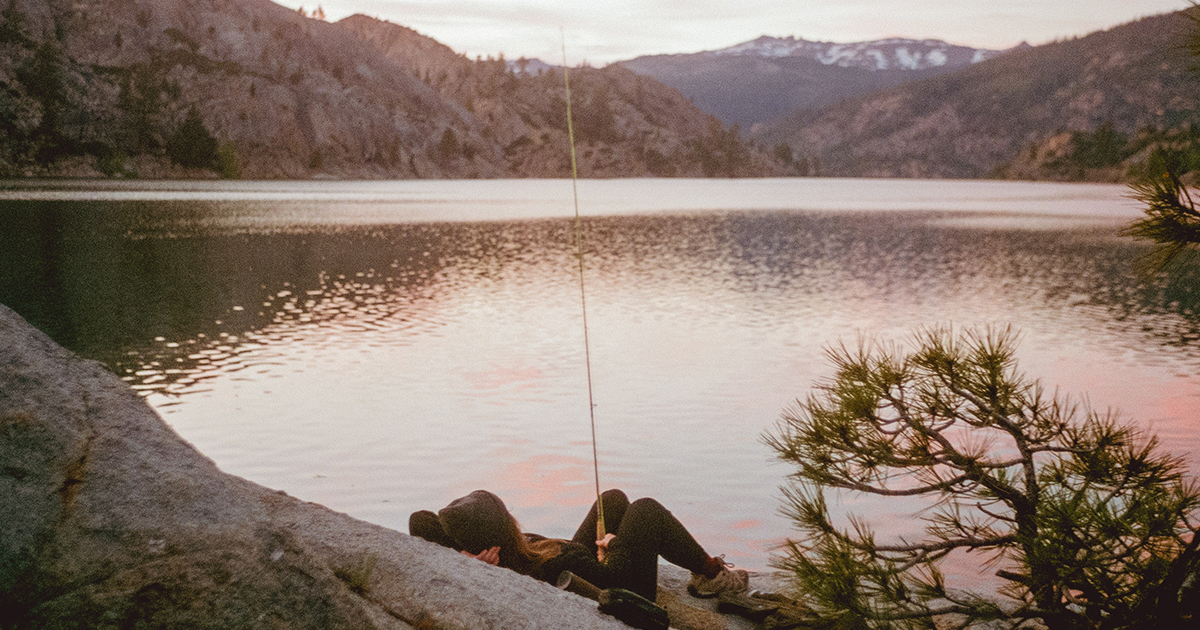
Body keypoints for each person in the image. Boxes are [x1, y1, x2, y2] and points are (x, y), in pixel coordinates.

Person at [409, 488, 750, 602]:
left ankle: (707, 569)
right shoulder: (551, 564)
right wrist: (616, 544)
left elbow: (419, 521)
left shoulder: (500, 552)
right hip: (627, 588)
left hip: (577, 559)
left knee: (612, 500)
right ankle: (712, 575)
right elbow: (617, 578)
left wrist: (465, 558)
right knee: (645, 510)